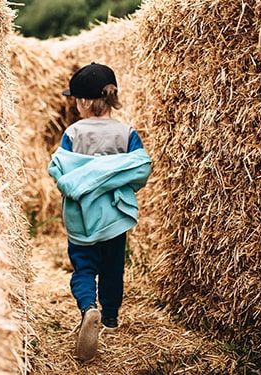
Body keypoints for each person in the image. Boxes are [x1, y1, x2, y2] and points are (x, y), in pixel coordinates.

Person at [48, 62, 151, 361]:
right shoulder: (127, 132)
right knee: (112, 268)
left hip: (81, 217)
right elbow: (139, 170)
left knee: (84, 269)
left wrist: (86, 177)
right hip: (114, 218)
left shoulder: (72, 133)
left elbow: (62, 172)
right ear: (111, 98)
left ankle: (87, 308)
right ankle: (110, 317)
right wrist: (112, 174)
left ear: (81, 101)